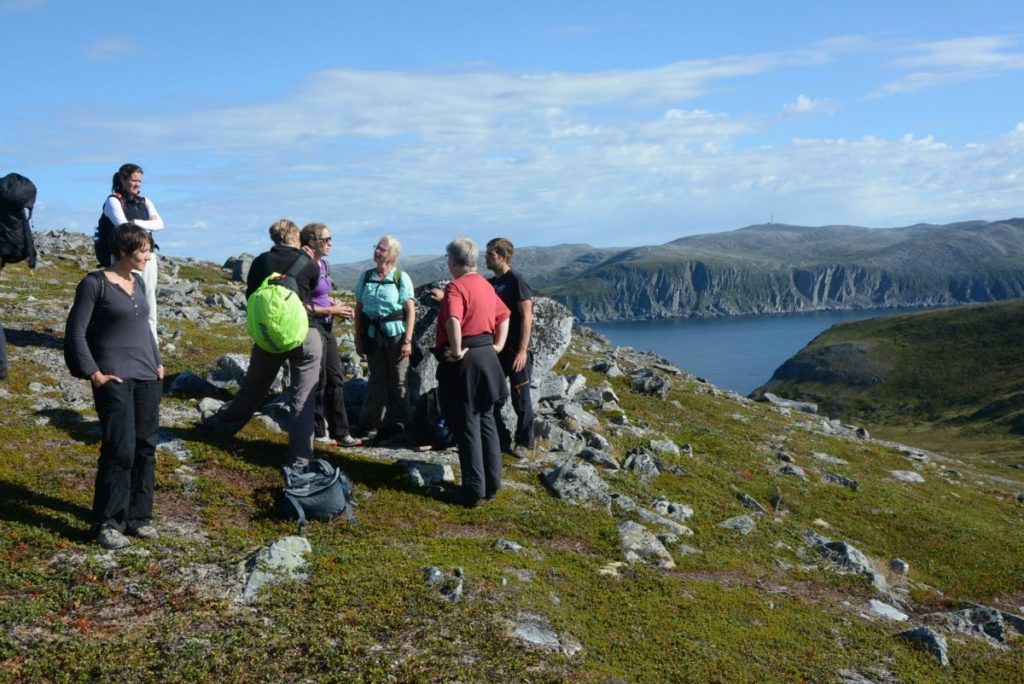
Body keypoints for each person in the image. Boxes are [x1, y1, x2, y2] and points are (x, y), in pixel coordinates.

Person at [64, 223, 164, 550]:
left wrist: (158, 360)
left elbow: (145, 327)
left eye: (149, 249)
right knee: (119, 448)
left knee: (145, 446)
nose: (149, 256)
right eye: (143, 251)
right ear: (123, 251)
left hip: (148, 375)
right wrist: (93, 373)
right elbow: (76, 333)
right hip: (114, 377)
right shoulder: (94, 284)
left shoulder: (136, 282)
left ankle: (138, 517)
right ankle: (108, 522)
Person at [202, 220, 323, 468]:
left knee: (254, 389)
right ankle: (300, 460)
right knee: (303, 398)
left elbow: (251, 295)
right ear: (295, 237)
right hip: (304, 333)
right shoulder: (309, 263)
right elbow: (308, 296)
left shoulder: (260, 262)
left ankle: (222, 424)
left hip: (269, 335)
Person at [435, 237, 510, 507]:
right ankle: (492, 483)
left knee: (466, 422)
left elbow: (454, 319)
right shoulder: (486, 286)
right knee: (486, 419)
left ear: (453, 261)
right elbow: (505, 316)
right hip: (488, 357)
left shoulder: (456, 287)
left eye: (448, 260)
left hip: (465, 361)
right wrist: (497, 346)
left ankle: (473, 489)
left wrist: (455, 351)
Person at [299, 223, 361, 448]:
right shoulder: (305, 266)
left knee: (336, 378)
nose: (330, 243)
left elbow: (321, 295)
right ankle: (318, 431)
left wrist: (336, 304)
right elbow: (301, 304)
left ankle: (342, 433)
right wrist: (331, 310)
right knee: (320, 379)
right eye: (326, 239)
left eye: (330, 239)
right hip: (312, 326)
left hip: (327, 325)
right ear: (312, 242)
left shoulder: (324, 264)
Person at [354, 235, 415, 439]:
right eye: (376, 247)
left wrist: (407, 340)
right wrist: (358, 337)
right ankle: (372, 422)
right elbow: (359, 308)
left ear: (393, 255)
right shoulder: (366, 276)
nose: (377, 251)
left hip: (396, 334)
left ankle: (399, 422)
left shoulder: (400, 277)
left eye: (382, 249)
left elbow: (410, 310)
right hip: (372, 334)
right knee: (376, 379)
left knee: (399, 379)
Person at [99, 164, 164, 341]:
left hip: (146, 256)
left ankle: (151, 338)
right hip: (123, 258)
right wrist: (145, 223)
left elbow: (160, 224)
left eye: (139, 181)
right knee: (126, 297)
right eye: (134, 180)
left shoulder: (145, 201)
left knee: (149, 296)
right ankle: (125, 335)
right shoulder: (113, 201)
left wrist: (136, 221)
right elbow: (124, 227)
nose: (137, 185)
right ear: (122, 179)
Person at [485, 238, 535, 454]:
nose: (486, 258)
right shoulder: (489, 283)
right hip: (497, 349)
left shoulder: (516, 281)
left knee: (520, 398)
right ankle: (501, 438)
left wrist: (523, 351)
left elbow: (526, 316)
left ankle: (525, 442)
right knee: (491, 394)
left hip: (516, 350)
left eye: (490, 254)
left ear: (504, 256)